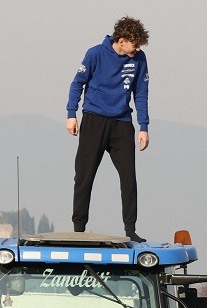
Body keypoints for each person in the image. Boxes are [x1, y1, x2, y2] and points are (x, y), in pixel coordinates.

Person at [67, 16, 150, 242]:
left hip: (122, 123)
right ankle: (79, 228)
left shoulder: (139, 59)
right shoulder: (95, 53)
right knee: (84, 175)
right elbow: (77, 83)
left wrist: (143, 126)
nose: (138, 49)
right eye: (135, 44)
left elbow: (141, 94)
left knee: (128, 178)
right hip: (94, 119)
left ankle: (130, 228)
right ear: (121, 40)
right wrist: (71, 114)